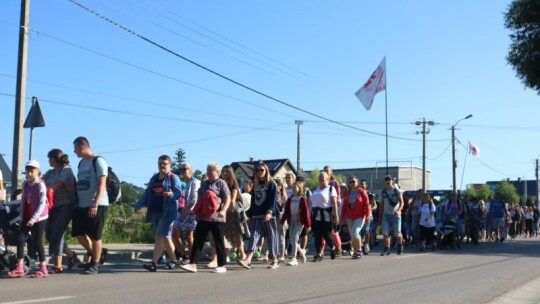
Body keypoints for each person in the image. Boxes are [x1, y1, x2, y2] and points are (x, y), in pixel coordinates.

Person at [180, 162, 231, 274]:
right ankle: (193, 264)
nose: (208, 172)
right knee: (198, 240)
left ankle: (222, 265)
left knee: (218, 241)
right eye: (207, 169)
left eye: (211, 170)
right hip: (203, 217)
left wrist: (223, 210)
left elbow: (228, 198)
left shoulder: (221, 183)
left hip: (217, 217)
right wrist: (196, 210)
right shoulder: (204, 184)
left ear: (217, 171)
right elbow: (200, 199)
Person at [135, 155, 182, 272]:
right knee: (166, 237)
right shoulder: (154, 178)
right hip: (155, 211)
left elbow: (178, 193)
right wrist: (139, 204)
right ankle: (174, 261)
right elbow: (147, 193)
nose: (162, 165)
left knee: (159, 236)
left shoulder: (173, 177)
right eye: (160, 163)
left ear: (169, 165)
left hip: (168, 213)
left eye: (165, 163)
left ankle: (153, 263)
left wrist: (170, 195)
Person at [72, 136, 109, 275]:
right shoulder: (81, 163)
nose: (74, 151)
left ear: (82, 146)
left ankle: (95, 264)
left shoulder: (98, 161)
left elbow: (102, 184)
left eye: (75, 148)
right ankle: (97, 253)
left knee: (95, 236)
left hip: (96, 204)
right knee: (78, 233)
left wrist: (95, 203)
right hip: (81, 205)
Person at [8, 160, 49, 278]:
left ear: (38, 171)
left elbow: (42, 204)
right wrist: (22, 216)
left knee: (37, 242)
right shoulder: (26, 184)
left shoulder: (40, 184)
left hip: (40, 217)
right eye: (28, 171)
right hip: (27, 216)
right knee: (20, 238)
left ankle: (43, 268)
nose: (30, 173)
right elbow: (23, 202)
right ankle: (19, 267)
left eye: (32, 171)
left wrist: (34, 218)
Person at [237, 161, 280, 270]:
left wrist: (270, 212)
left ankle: (275, 260)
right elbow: (253, 202)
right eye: (257, 170)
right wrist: (250, 215)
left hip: (269, 215)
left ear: (266, 171)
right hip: (257, 214)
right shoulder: (255, 185)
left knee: (271, 237)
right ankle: (248, 259)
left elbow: (273, 200)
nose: (259, 172)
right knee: (253, 237)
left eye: (262, 170)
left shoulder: (271, 184)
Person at [43, 149, 79, 273]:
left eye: (49, 159)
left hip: (66, 205)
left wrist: (43, 191)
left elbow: (56, 186)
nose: (48, 161)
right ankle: (71, 254)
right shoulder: (50, 172)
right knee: (48, 233)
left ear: (53, 159)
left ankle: (57, 265)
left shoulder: (66, 170)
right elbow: (40, 183)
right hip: (52, 206)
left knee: (58, 232)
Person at [173, 163, 200, 263]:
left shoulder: (195, 182)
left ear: (190, 170)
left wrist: (187, 211)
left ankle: (192, 258)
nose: (184, 171)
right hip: (183, 210)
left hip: (191, 211)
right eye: (182, 169)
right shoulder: (184, 183)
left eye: (186, 169)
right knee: (175, 232)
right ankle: (183, 255)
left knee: (189, 235)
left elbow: (194, 199)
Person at [310, 171, 339, 262]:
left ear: (328, 179)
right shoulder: (316, 189)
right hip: (316, 215)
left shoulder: (331, 189)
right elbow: (313, 203)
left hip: (326, 214)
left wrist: (336, 216)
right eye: (320, 177)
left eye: (323, 177)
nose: (321, 179)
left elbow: (334, 204)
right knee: (317, 235)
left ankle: (333, 247)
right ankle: (318, 254)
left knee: (326, 234)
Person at [280, 181, 311, 265]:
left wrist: (308, 224)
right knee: (291, 240)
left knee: (294, 238)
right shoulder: (290, 199)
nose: (294, 189)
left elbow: (306, 212)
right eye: (292, 188)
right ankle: (302, 253)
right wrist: (282, 221)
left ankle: (294, 258)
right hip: (291, 220)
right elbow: (286, 212)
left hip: (299, 220)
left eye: (295, 187)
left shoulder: (302, 199)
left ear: (299, 188)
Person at [341, 176, 370, 259]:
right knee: (352, 235)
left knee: (355, 232)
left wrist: (367, 216)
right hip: (350, 217)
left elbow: (367, 205)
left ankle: (359, 250)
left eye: (353, 181)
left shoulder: (362, 192)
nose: (352, 183)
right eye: (350, 182)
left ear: (357, 182)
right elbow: (345, 206)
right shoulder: (348, 193)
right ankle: (355, 251)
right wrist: (342, 217)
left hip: (360, 216)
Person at [379, 175, 404, 256]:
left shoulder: (396, 190)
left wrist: (399, 210)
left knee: (397, 233)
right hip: (386, 215)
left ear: (392, 181)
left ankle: (400, 246)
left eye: (389, 180)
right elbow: (381, 205)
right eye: (386, 180)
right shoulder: (383, 192)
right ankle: (387, 249)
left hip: (395, 215)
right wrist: (380, 217)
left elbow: (402, 202)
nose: (388, 181)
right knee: (385, 233)